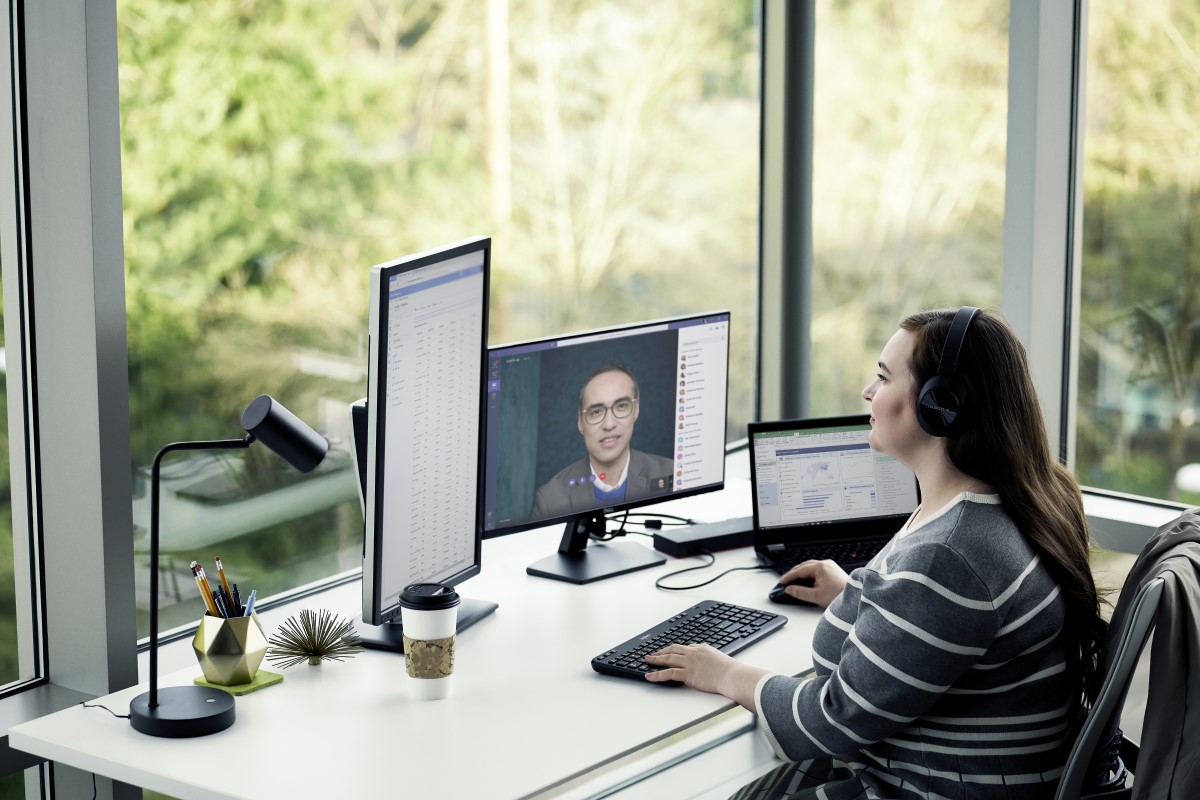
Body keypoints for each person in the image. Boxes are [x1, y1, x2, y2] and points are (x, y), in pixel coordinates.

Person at [645, 307, 1106, 798]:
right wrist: (864, 597)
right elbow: (949, 623)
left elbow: (830, 722)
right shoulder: (1019, 499)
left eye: (884, 378)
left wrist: (724, 672)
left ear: (939, 406)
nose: (868, 392)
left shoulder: (949, 555)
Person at [529, 363, 673, 521]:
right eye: (596, 412)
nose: (609, 424)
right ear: (580, 422)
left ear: (636, 410)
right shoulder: (549, 501)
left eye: (621, 406)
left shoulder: (673, 475)